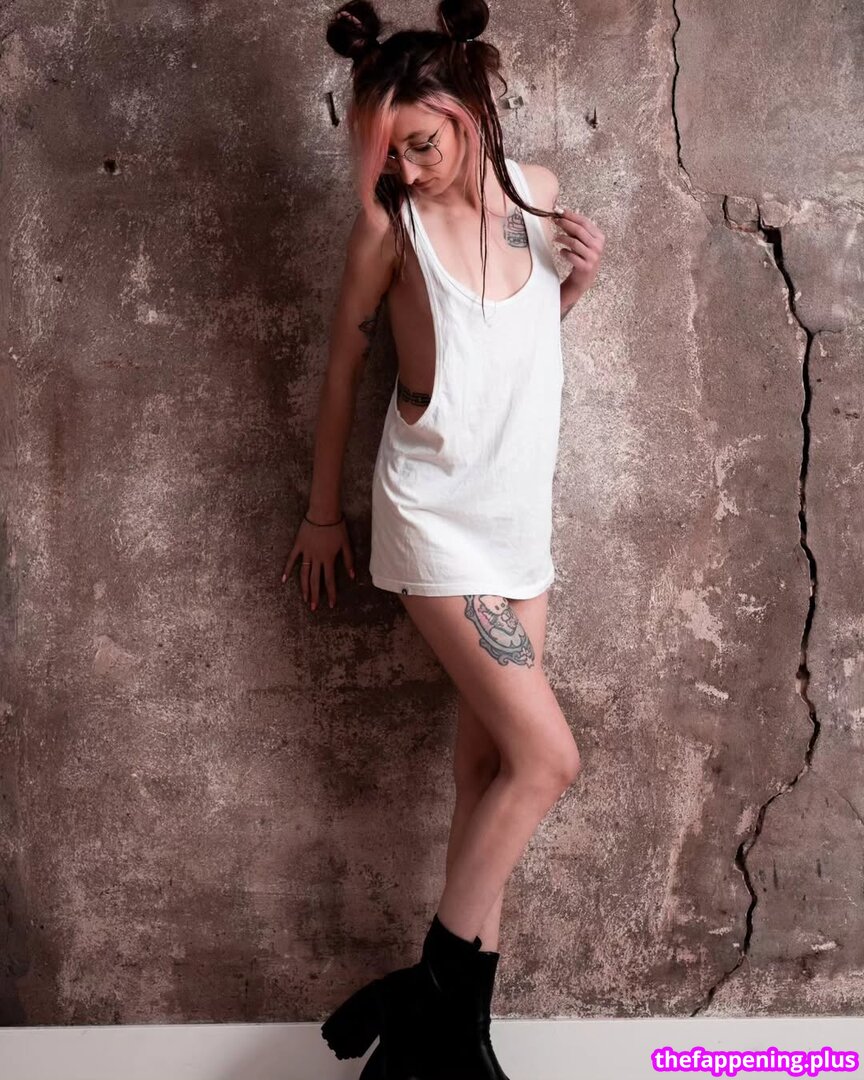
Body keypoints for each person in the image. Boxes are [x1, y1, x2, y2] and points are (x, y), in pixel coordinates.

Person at [282, 0, 605, 1076]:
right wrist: (323, 513)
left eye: (419, 144)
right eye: (385, 152)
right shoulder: (391, 230)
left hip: (521, 528)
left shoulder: (537, 199)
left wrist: (578, 285)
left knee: (489, 773)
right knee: (549, 760)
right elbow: (342, 373)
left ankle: (455, 1043)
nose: (404, 169)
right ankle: (427, 989)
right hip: (437, 527)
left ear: (467, 112)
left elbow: (510, 357)